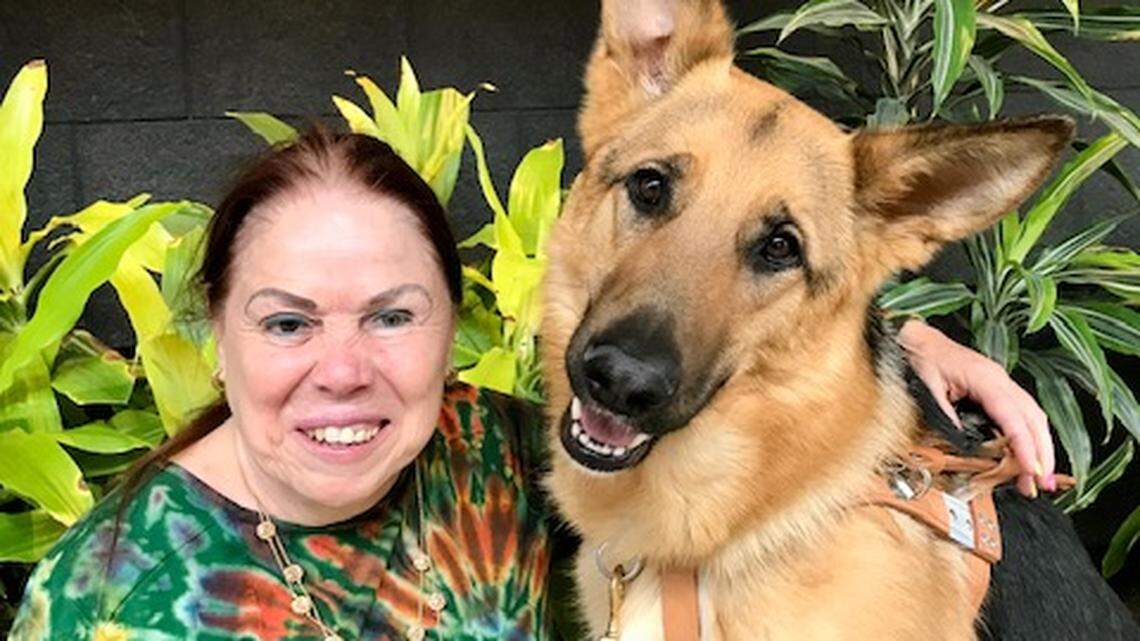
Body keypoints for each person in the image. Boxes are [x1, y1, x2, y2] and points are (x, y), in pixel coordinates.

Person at [8, 127, 1056, 641]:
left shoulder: (483, 447)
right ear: (214, 332)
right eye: (287, 321)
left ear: (452, 327)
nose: (343, 370)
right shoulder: (101, 600)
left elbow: (727, 414)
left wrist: (909, 348)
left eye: (392, 315)